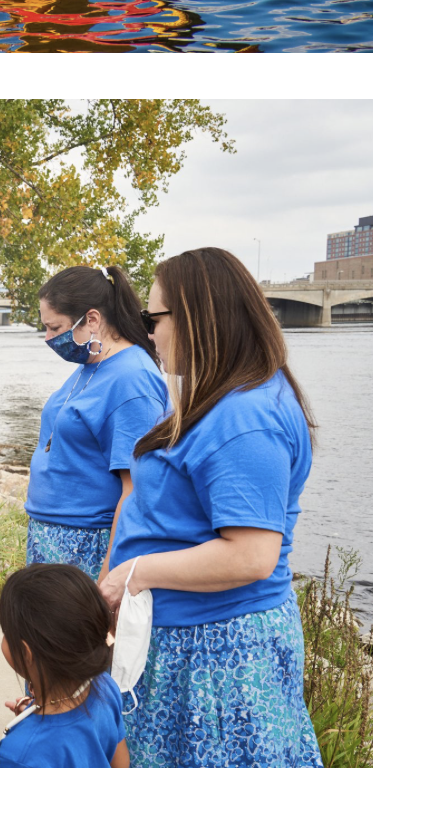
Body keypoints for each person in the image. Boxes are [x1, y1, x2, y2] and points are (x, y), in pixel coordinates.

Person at [99, 248, 320, 767]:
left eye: (153, 318)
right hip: (195, 642)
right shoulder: (230, 398)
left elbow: (250, 556)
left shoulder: (245, 418)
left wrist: (132, 572)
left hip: (220, 656)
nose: (148, 332)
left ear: (198, 316)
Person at [27, 265, 171, 579]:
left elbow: (136, 490)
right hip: (51, 538)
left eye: (55, 328)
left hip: (85, 546)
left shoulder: (132, 380)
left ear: (92, 319)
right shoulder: (92, 364)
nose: (49, 339)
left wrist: (107, 580)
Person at [0, 562, 128, 767]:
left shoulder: (19, 753)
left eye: (6, 633)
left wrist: (33, 728)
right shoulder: (105, 685)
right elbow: (120, 763)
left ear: (24, 652)